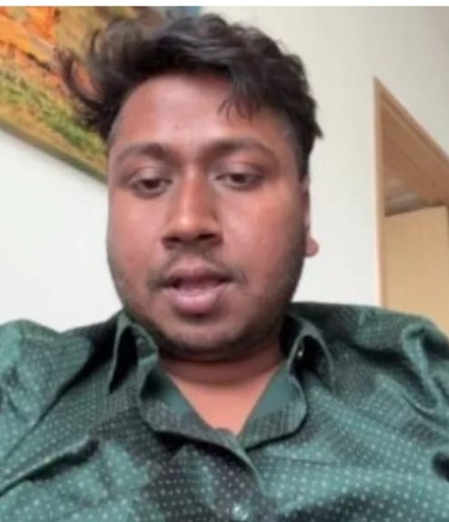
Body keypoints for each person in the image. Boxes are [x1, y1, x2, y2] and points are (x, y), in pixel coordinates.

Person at [0, 13, 448, 522]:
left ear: (305, 215)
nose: (189, 221)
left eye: (237, 176)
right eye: (149, 181)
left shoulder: (422, 373)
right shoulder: (19, 380)